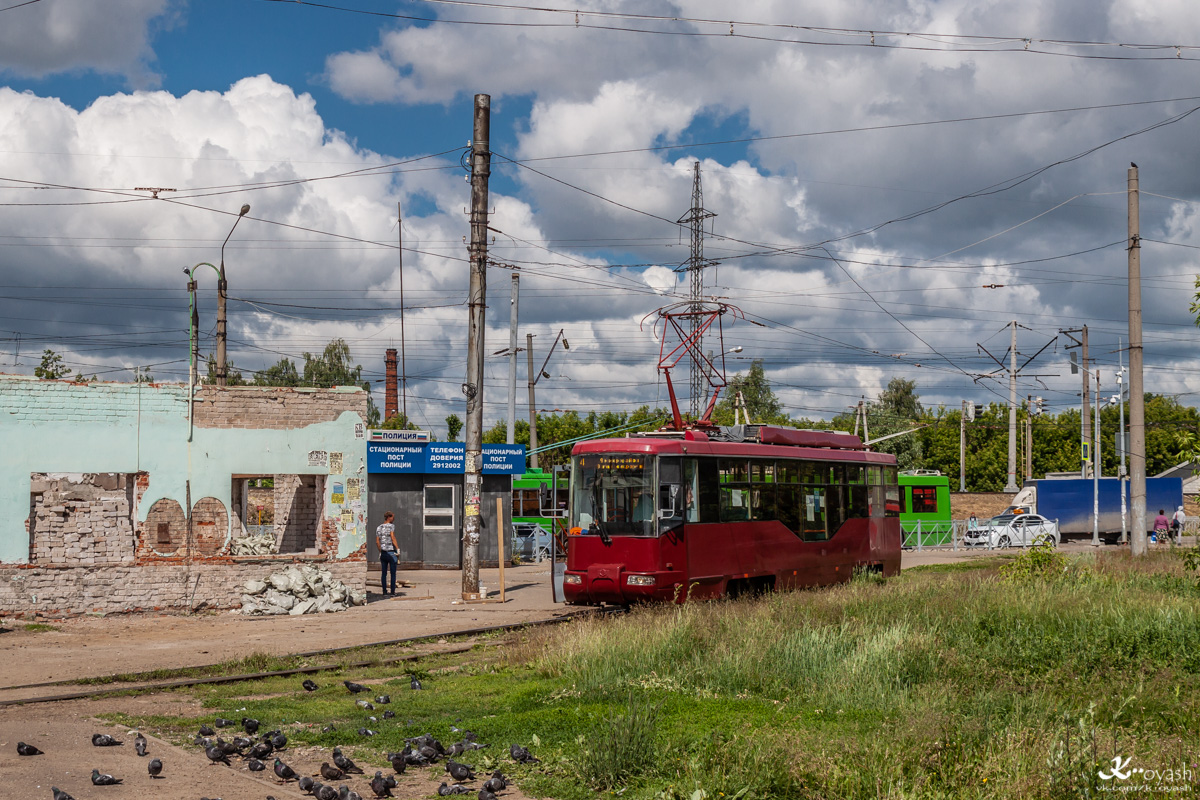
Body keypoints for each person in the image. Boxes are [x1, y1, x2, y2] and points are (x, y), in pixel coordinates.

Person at [376, 511, 399, 595]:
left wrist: (380, 551)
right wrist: (397, 548)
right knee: (393, 573)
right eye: (393, 517)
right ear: (389, 517)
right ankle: (392, 592)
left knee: (384, 573)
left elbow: (377, 542)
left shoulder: (379, 527)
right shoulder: (391, 526)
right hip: (391, 552)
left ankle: (384, 592)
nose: (393, 519)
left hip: (383, 553)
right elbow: (392, 537)